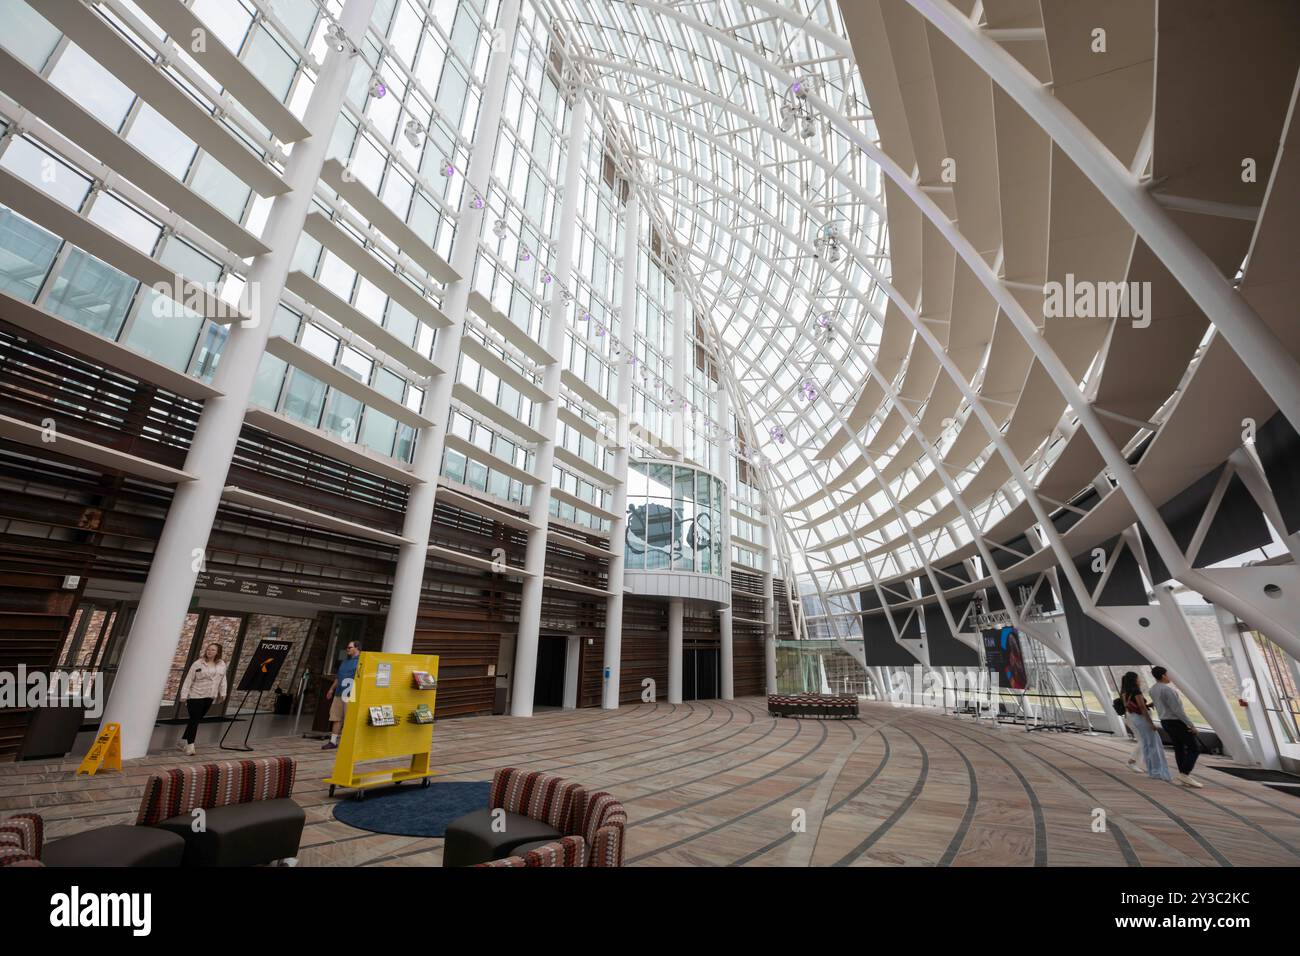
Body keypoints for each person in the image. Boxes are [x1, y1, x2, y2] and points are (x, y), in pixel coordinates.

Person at [1150, 666, 1204, 788]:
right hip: (1175, 722)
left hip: (1165, 722)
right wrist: (1191, 725)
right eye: (1168, 674)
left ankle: (1183, 775)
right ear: (1163, 675)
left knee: (1179, 747)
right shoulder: (1167, 690)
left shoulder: (1152, 689)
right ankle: (1184, 774)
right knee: (1195, 747)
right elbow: (1178, 710)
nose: (1169, 677)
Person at [1120, 671, 1172, 783]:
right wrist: (1151, 723)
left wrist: (1148, 705)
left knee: (1147, 745)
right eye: (1138, 678)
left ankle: (1152, 770)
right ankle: (1157, 771)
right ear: (1134, 680)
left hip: (1135, 719)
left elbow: (1130, 707)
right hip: (1143, 720)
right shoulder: (1136, 691)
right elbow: (1142, 708)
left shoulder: (1125, 692)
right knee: (1153, 745)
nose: (1140, 680)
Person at [177, 642, 227, 756]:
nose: (210, 651)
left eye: (213, 650)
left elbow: (223, 679)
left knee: (196, 719)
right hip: (195, 695)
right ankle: (190, 746)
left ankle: (182, 742)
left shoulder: (221, 664)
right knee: (194, 719)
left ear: (218, 652)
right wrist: (184, 695)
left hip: (210, 696)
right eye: (208, 649)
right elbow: (189, 679)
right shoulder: (198, 663)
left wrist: (223, 693)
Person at [323, 640, 361, 750]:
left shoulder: (361, 662)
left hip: (350, 693)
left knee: (349, 718)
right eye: (347, 648)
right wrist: (331, 689)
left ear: (357, 648)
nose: (347, 649)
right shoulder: (344, 662)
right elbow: (338, 677)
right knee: (336, 717)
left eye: (349, 647)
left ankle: (347, 742)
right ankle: (333, 741)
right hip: (339, 692)